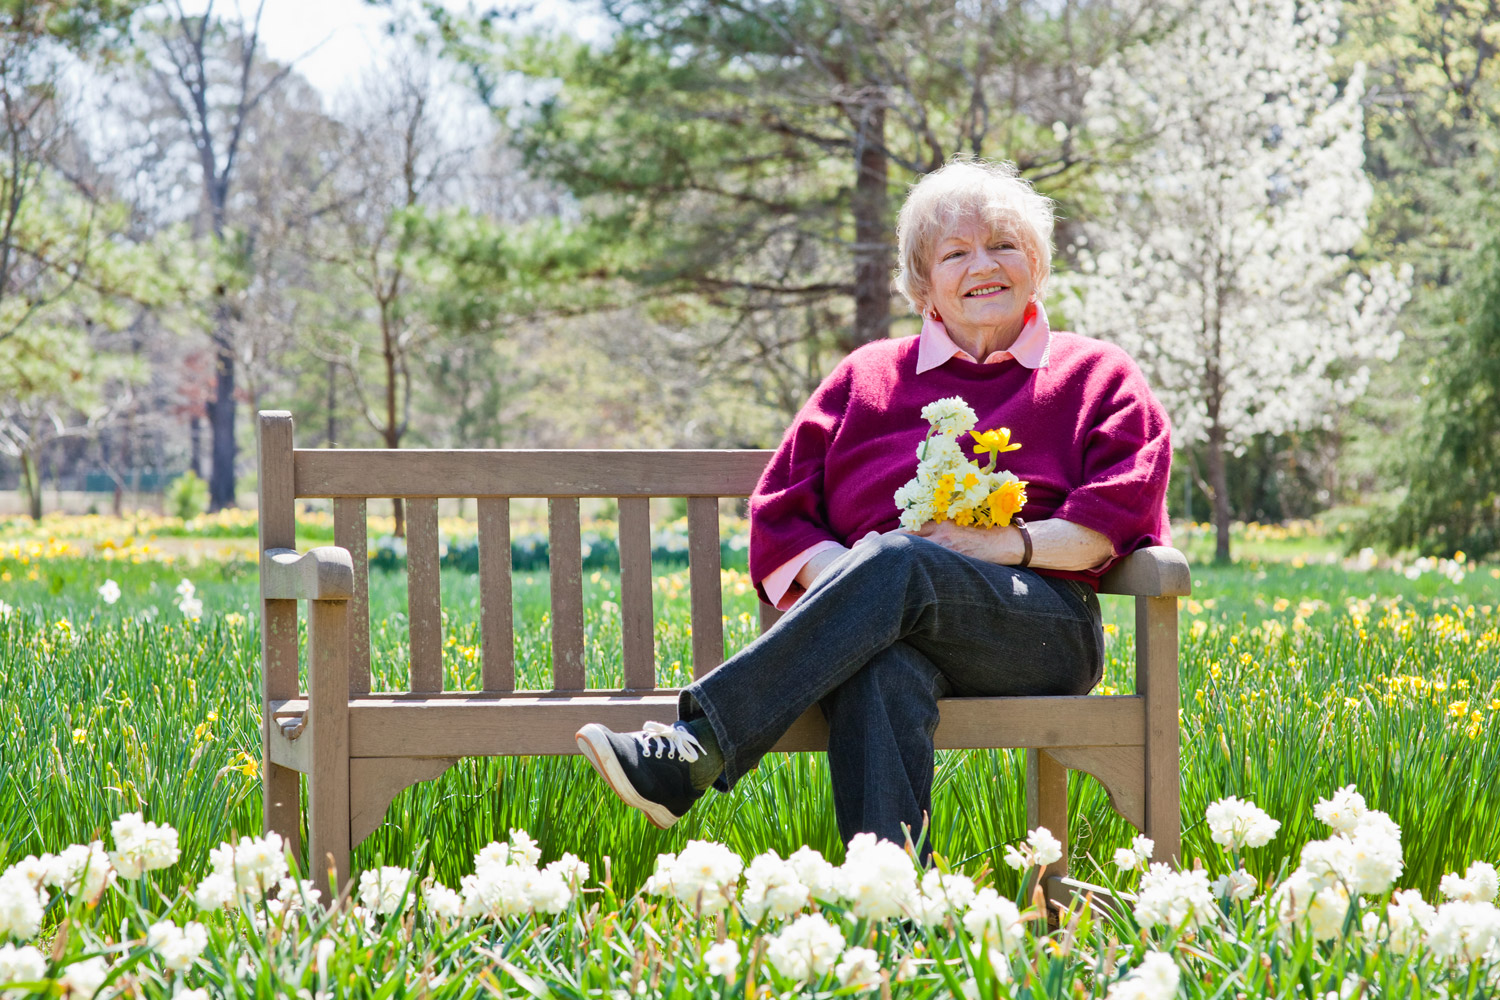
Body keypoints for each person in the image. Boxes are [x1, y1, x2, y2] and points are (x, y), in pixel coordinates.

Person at [575, 157, 1172, 857]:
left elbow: (1113, 518)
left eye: (1004, 245)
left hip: (1038, 625)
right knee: (880, 669)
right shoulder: (867, 378)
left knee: (898, 560)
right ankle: (889, 923)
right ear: (924, 284)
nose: (984, 265)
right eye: (956, 252)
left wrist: (1002, 545)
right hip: (885, 628)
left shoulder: (1095, 373)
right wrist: (859, 586)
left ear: (1035, 263)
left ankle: (698, 744)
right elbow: (782, 510)